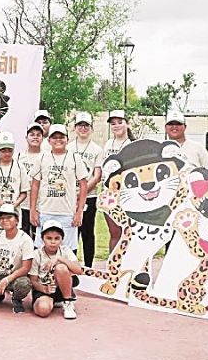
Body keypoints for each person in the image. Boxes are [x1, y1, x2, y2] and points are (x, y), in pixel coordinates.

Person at [29, 124, 89, 251]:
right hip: (45, 211)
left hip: (67, 212)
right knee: (42, 250)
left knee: (68, 250)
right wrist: (33, 210)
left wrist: (79, 211)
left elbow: (84, 184)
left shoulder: (74, 158)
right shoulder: (43, 157)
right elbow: (35, 184)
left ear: (67, 139)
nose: (58, 140)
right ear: (49, 140)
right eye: (54, 137)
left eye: (61, 137)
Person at [95, 110, 135, 252]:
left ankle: (128, 267)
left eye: (120, 122)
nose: (116, 126)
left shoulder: (132, 145)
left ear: (127, 124)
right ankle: (114, 267)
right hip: (109, 195)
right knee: (114, 233)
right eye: (113, 123)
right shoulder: (107, 144)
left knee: (127, 233)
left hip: (126, 195)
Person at [68, 111, 103, 267]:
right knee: (71, 232)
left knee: (87, 232)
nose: (83, 128)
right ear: (75, 128)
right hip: (69, 197)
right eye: (80, 125)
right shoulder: (68, 148)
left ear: (91, 128)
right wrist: (72, 193)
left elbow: (96, 176)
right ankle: (72, 265)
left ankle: (88, 267)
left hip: (89, 196)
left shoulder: (97, 150)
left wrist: (82, 193)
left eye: (86, 125)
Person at [29, 221, 84, 320]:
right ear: (42, 239)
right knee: (42, 310)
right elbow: (33, 280)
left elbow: (79, 270)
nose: (53, 242)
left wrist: (59, 259)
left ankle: (67, 301)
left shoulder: (66, 250)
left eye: (57, 238)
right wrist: (44, 289)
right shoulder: (36, 254)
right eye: (49, 238)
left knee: (61, 267)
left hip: (62, 285)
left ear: (62, 239)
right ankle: (54, 300)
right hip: (45, 287)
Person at [16, 122, 45, 238]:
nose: (35, 137)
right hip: (22, 204)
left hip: (40, 204)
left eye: (38, 135)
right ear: (26, 137)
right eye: (32, 134)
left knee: (37, 236)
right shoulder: (18, 157)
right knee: (22, 235)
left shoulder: (46, 156)